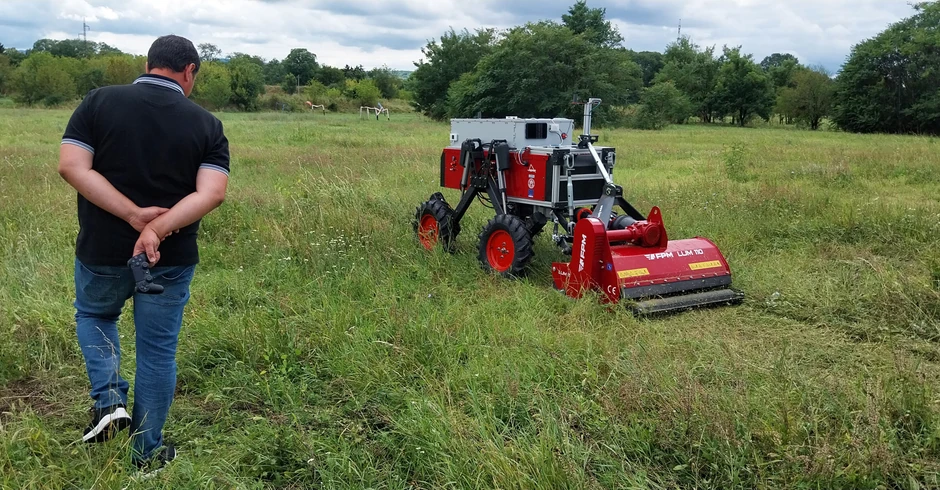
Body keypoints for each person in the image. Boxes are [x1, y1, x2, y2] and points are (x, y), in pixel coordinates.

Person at [57, 34, 230, 472]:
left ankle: (109, 401)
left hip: (101, 250)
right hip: (170, 260)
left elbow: (71, 166)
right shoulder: (207, 124)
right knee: (157, 352)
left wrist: (135, 217)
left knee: (95, 315)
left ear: (148, 63)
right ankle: (146, 454)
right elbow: (212, 193)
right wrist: (157, 228)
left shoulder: (98, 102)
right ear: (189, 71)